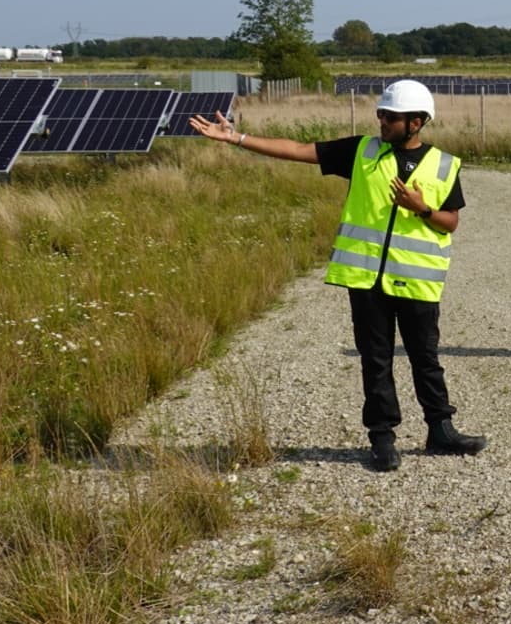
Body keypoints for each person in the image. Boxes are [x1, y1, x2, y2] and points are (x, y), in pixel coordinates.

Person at [189, 81, 487, 472]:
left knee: (425, 359)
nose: (382, 121)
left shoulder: (444, 165)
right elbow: (297, 150)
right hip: (366, 282)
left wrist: (421, 208)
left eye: (391, 117)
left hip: (417, 282)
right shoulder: (360, 151)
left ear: (416, 123)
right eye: (381, 114)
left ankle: (441, 430)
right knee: (376, 360)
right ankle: (382, 439)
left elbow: (450, 223)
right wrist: (237, 138)